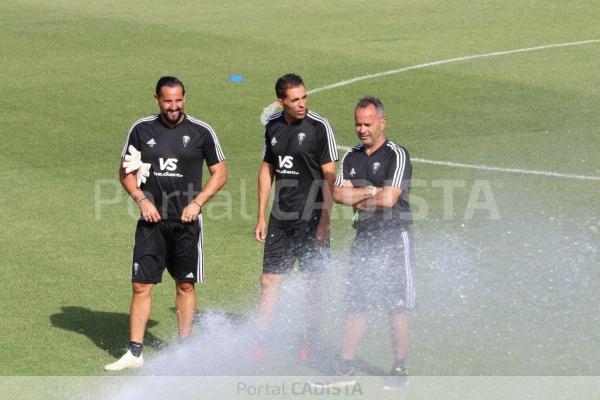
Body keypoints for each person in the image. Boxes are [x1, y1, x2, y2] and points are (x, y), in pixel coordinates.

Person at [104, 76, 228, 371]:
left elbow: (220, 173)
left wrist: (197, 203)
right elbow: (124, 172)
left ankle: (185, 349)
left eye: (179, 100)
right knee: (140, 285)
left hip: (186, 224)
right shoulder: (141, 129)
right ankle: (135, 353)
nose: (174, 107)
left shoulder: (201, 131)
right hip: (151, 223)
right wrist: (141, 199)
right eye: (168, 101)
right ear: (157, 99)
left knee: (185, 284)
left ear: (184, 98)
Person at [254, 73, 338, 359]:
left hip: (312, 217)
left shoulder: (319, 126)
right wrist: (261, 216)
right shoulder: (273, 127)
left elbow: (330, 176)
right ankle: (262, 341)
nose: (302, 104)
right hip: (281, 216)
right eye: (295, 100)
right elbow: (267, 169)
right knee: (269, 280)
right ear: (281, 102)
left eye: (304, 97)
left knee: (313, 281)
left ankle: (311, 339)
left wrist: (325, 221)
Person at [331, 96, 413, 387]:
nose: (362, 129)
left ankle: (399, 368)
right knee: (356, 303)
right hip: (363, 239)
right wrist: (371, 193)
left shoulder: (396, 155)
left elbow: (390, 199)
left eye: (367, 124)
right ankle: (345, 367)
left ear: (382, 122)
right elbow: (338, 195)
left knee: (396, 305)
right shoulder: (352, 156)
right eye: (357, 123)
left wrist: (360, 194)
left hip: (394, 240)